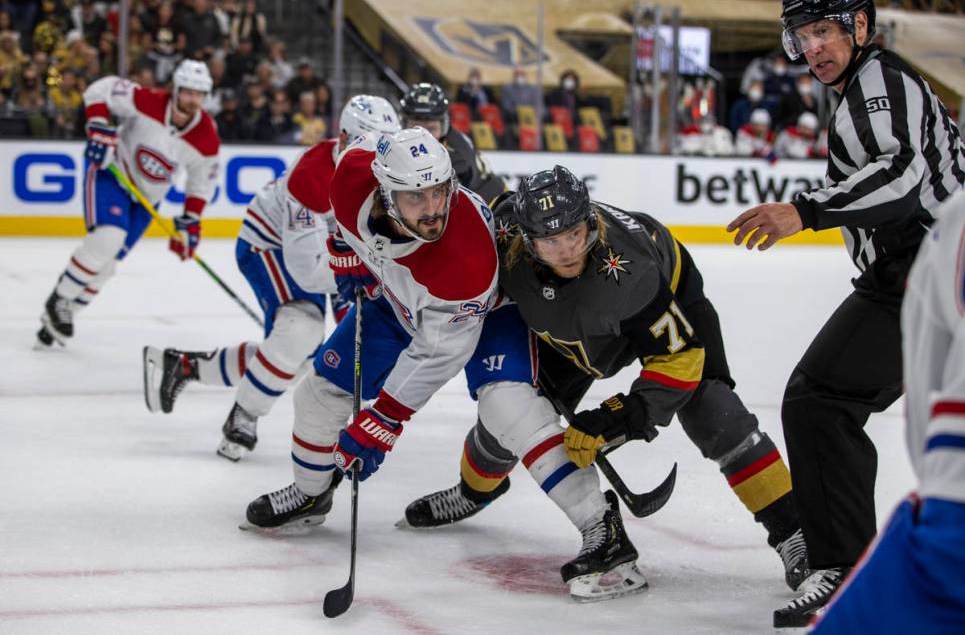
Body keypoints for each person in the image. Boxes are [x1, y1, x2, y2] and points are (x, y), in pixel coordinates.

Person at [241, 129, 648, 602]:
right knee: (318, 394)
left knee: (508, 408)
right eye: (416, 196)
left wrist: (385, 418)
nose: (434, 207)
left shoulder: (466, 258)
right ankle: (311, 493)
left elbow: (438, 352)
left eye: (441, 189)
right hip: (397, 301)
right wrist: (346, 244)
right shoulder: (350, 174)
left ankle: (603, 530)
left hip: (482, 312)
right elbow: (361, 159)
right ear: (383, 190)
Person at [405, 166, 810, 595]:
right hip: (570, 324)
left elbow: (679, 358)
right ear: (525, 239)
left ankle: (795, 532)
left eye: (575, 235)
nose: (565, 252)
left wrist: (619, 416)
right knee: (512, 414)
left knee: (713, 411)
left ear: (591, 223)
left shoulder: (631, 273)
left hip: (663, 297)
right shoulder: (503, 237)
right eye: (550, 241)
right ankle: (474, 491)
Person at [725, 0, 965, 627]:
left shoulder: (878, 81)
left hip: (924, 276)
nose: (812, 48)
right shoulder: (863, 89)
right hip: (922, 274)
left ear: (860, 25)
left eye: (824, 31)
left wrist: (802, 211)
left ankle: (842, 565)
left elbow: (902, 176)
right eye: (802, 36)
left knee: (821, 398)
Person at [143, 95, 400, 461]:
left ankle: (184, 366)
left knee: (308, 353)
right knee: (301, 330)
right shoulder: (312, 176)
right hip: (269, 247)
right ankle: (244, 415)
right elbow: (308, 270)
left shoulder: (385, 174)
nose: (377, 161)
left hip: (328, 254)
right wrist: (366, 270)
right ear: (343, 138)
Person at [810, 188, 965, 633]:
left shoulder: (953, 229)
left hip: (951, 538)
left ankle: (840, 563)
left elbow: (926, 397)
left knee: (816, 396)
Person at [36, 59, 220, 349]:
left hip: (148, 200)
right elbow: (101, 89)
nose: (192, 99)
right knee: (108, 238)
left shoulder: (206, 135)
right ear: (176, 88)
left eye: (198, 94)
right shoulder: (148, 100)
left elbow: (202, 180)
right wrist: (97, 125)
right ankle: (58, 300)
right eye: (187, 91)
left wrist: (190, 222)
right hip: (113, 174)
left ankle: (63, 316)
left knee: (108, 265)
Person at [398, 82, 505, 202]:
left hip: (491, 200)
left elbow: (447, 204)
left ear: (444, 126)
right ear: (403, 124)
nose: (423, 135)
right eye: (415, 127)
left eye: (431, 128)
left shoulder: (457, 155)